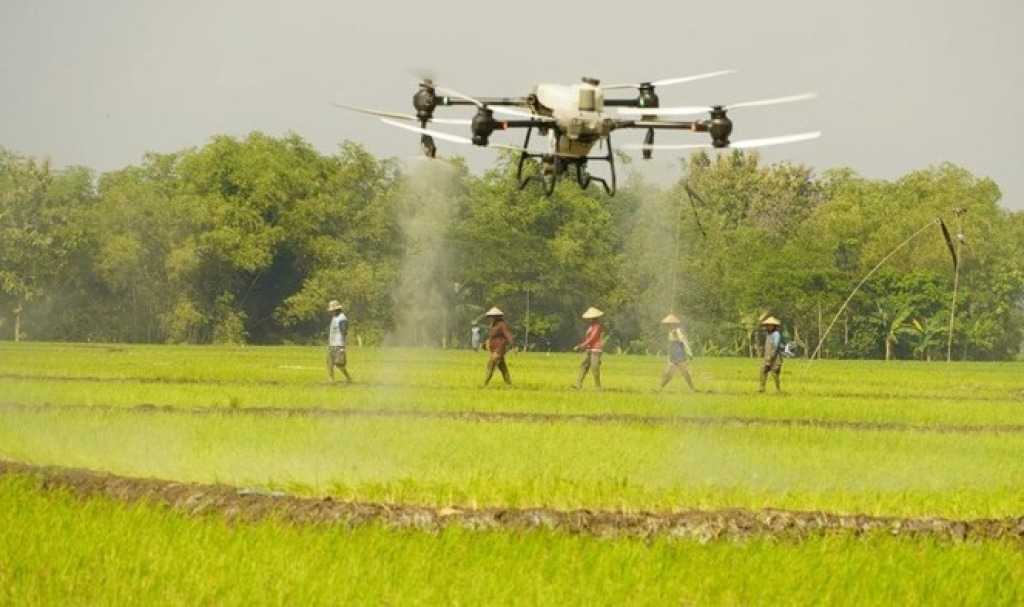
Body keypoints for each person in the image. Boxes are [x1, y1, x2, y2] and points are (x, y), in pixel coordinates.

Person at [659, 314, 696, 392]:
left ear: (672, 324)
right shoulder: (670, 331)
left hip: (678, 353)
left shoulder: (677, 331)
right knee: (669, 372)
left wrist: (689, 352)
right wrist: (669, 355)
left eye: (668, 324)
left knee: (684, 372)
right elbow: (671, 345)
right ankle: (660, 388)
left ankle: (692, 388)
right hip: (673, 353)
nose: (667, 325)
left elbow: (683, 341)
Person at [573, 307, 604, 390]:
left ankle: (598, 386)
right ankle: (578, 385)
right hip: (589, 349)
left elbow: (592, 338)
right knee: (584, 366)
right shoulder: (591, 326)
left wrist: (581, 346)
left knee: (594, 368)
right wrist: (584, 345)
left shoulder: (597, 326)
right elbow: (588, 338)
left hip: (596, 350)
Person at [482, 307, 514, 387]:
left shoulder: (501, 325)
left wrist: (512, 344)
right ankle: (509, 384)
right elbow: (491, 337)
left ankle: (485, 384)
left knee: (491, 364)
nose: (491, 318)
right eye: (490, 317)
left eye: (493, 317)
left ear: (497, 317)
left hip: (499, 349)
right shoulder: (493, 326)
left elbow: (508, 334)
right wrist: (485, 344)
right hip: (494, 349)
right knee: (503, 368)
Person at [326, 299, 352, 384]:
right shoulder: (334, 317)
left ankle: (348, 378)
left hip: (339, 344)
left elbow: (344, 332)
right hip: (332, 344)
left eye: (332, 310)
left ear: (336, 310)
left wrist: (343, 346)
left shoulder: (342, 319)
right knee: (330, 362)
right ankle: (331, 379)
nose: (331, 312)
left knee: (339, 364)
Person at [759, 316, 783, 392]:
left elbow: (775, 346)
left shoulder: (776, 334)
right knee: (763, 371)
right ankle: (762, 388)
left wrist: (771, 355)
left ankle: (778, 390)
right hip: (767, 358)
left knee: (774, 373)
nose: (769, 327)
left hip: (775, 358)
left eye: (771, 325)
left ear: (774, 326)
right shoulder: (768, 335)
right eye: (768, 325)